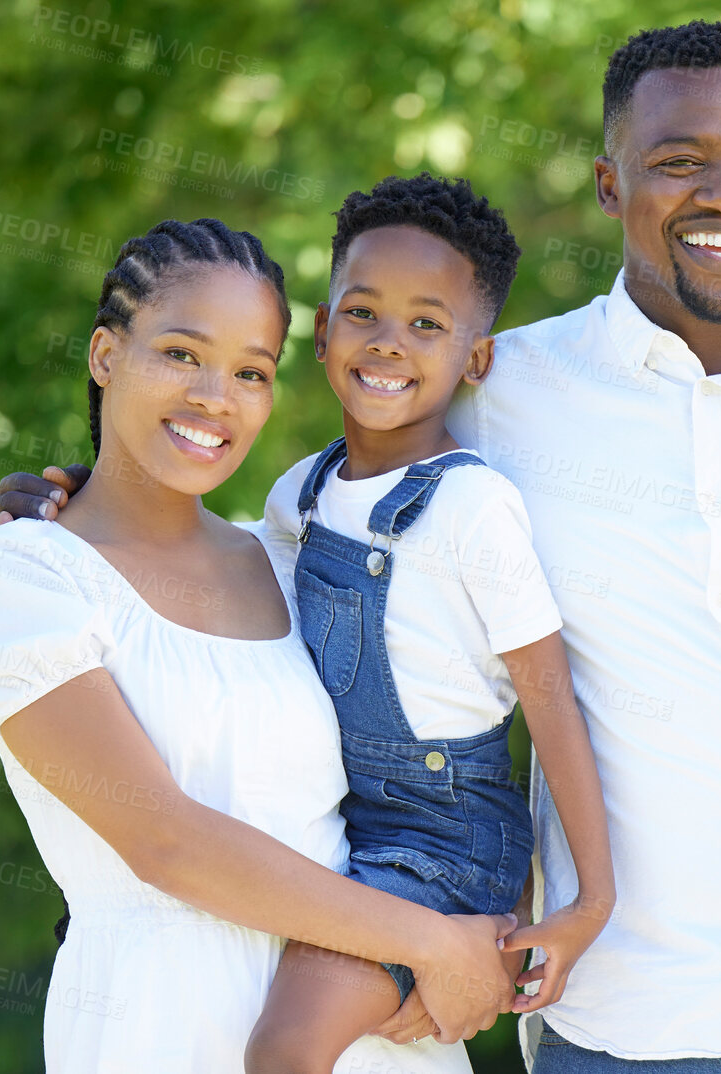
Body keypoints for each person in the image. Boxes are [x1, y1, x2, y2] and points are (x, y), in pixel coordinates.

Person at [0, 21, 721, 1071]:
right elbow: (304, 538)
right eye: (678, 161)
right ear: (609, 185)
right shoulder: (494, 387)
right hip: (617, 1032)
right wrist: (80, 501)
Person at [0, 218, 515, 1073]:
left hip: (370, 1036)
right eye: (181, 353)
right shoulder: (24, 577)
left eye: (252, 372)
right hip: (164, 1028)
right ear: (104, 356)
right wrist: (435, 942)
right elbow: (166, 842)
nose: (217, 396)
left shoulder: (294, 559)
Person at [244, 175, 617, 1072]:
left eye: (426, 325)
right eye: (363, 313)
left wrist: (586, 904)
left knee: (287, 1048)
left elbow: (552, 701)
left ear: (474, 359)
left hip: (448, 841)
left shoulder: (473, 507)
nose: (387, 343)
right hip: (339, 821)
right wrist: (76, 498)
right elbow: (203, 571)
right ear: (324, 329)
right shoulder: (300, 493)